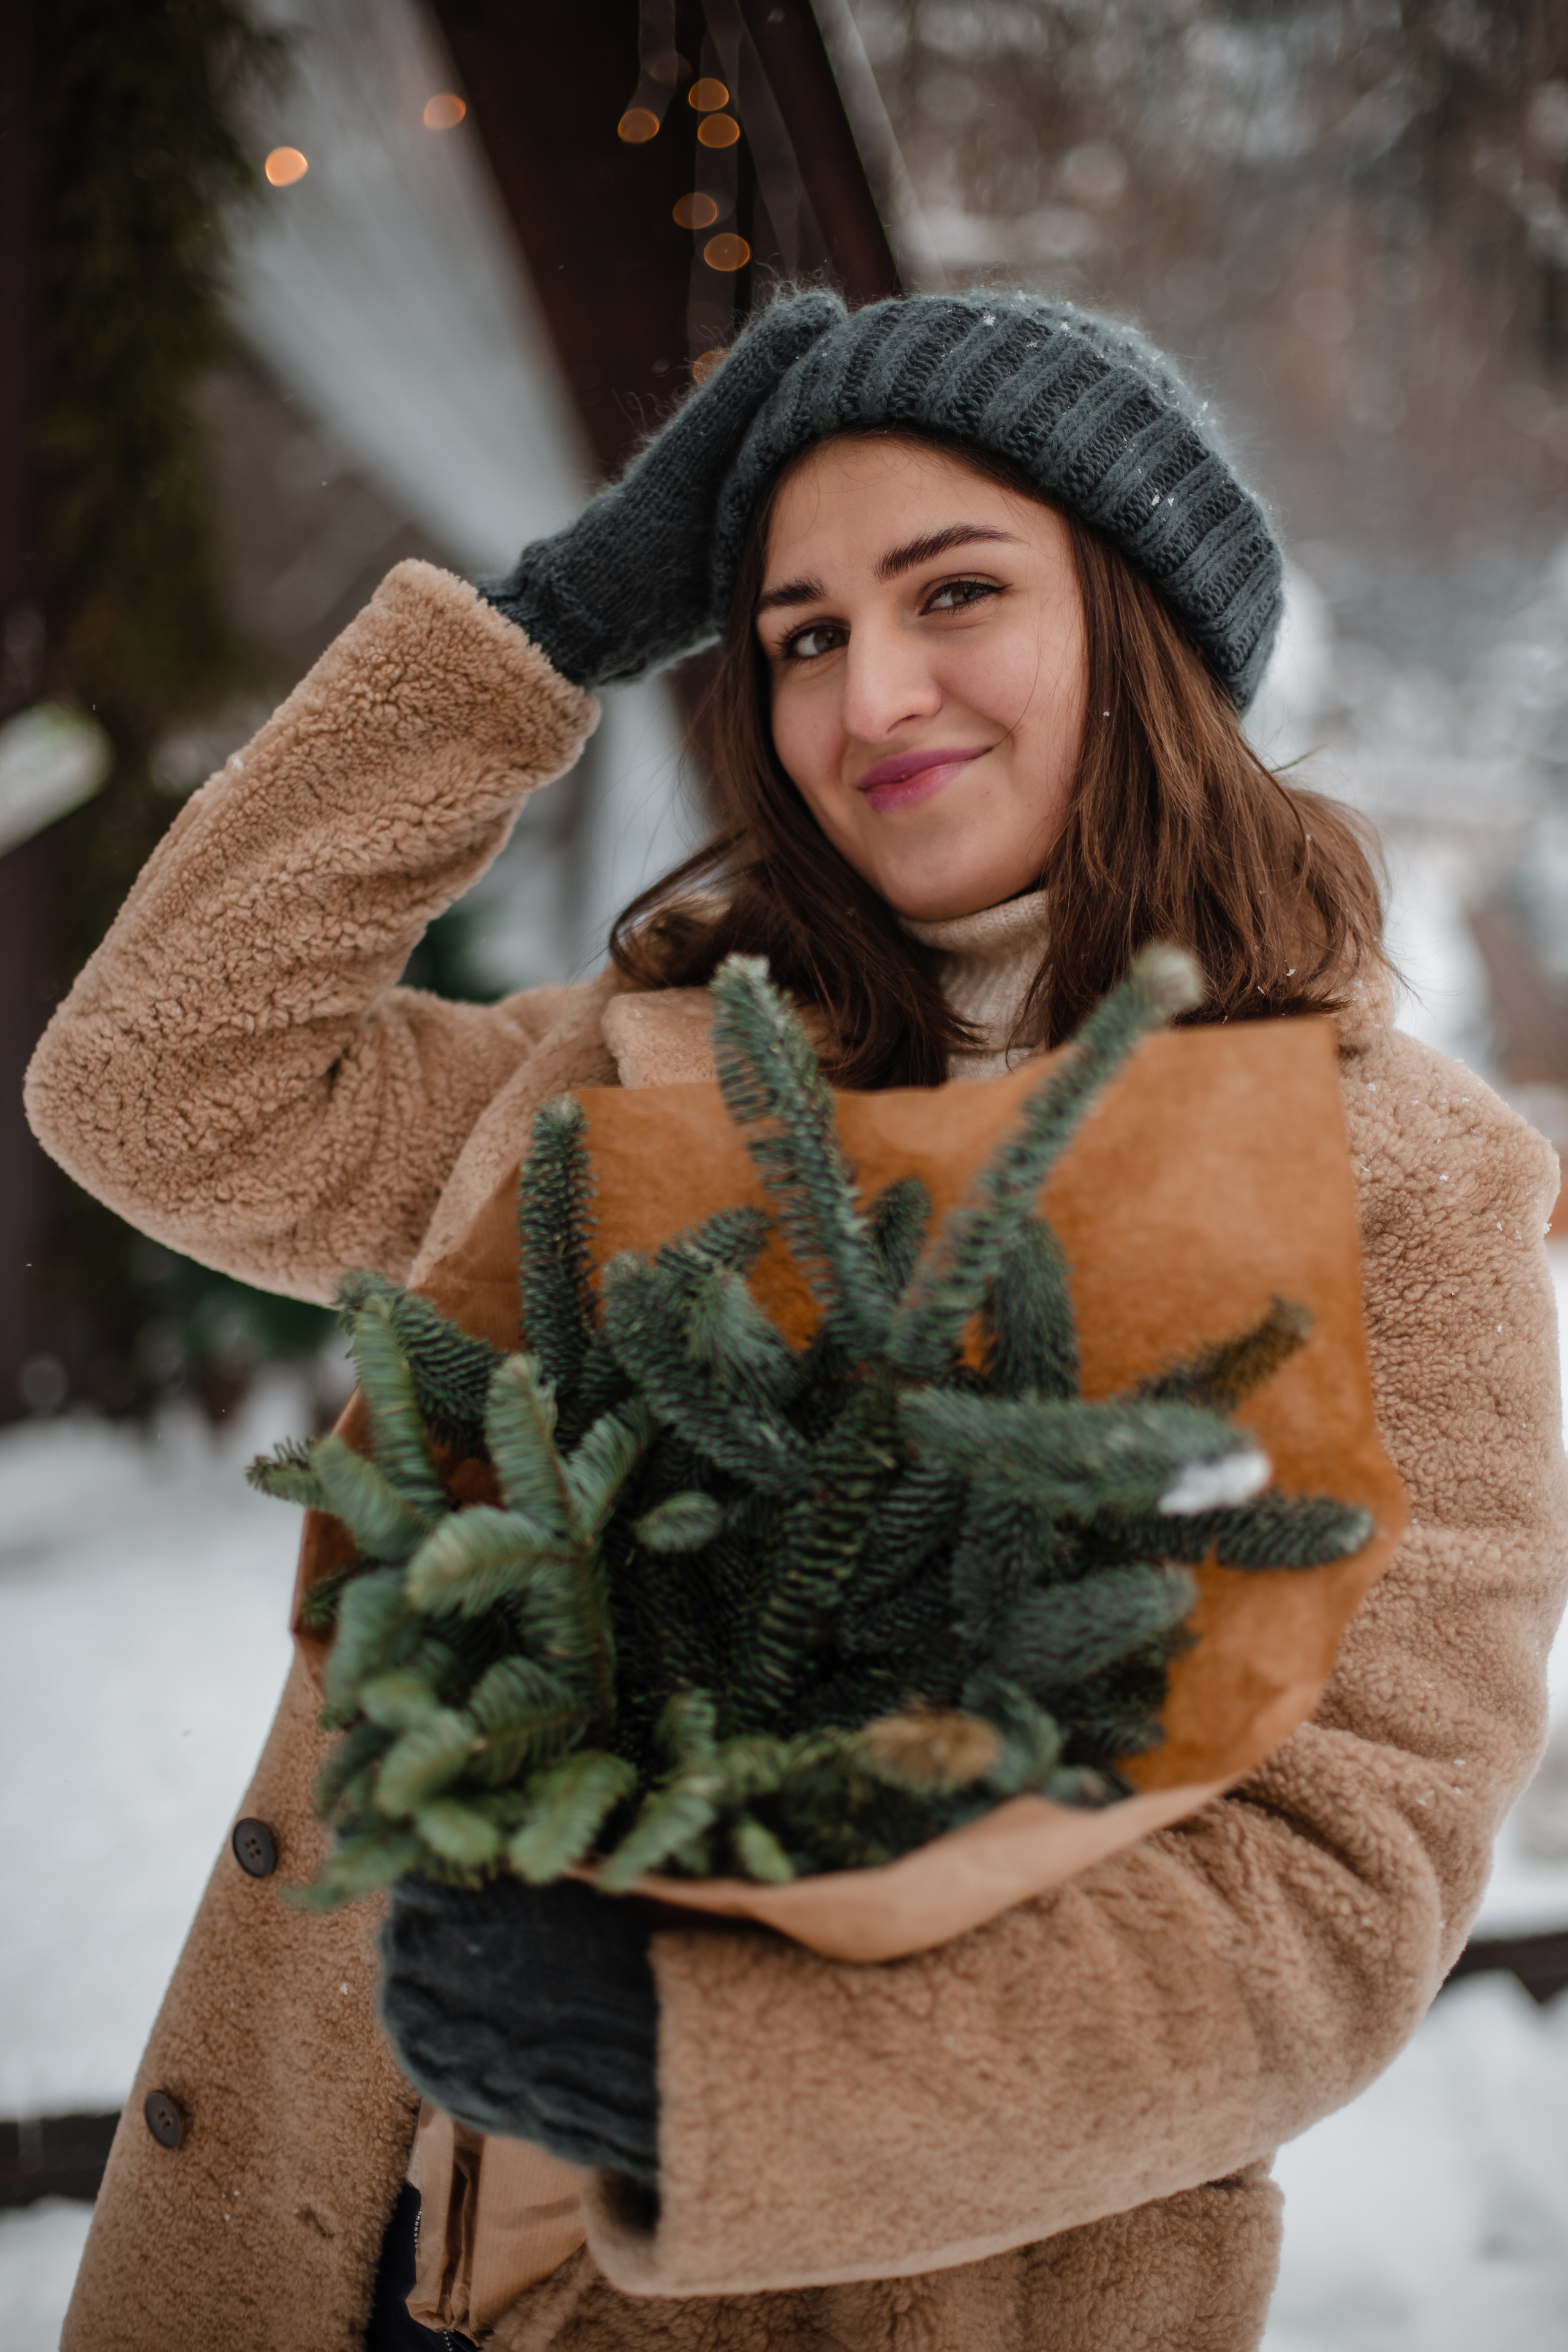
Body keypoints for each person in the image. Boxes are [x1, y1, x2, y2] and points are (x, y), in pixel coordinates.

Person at [26, 288, 1568, 2352]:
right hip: (341, 2256)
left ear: (1144, 627)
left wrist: (713, 2078)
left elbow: (1332, 1890)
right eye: (802, 634)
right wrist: (550, 629)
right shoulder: (639, 1073)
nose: (873, 693)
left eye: (957, 592)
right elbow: (159, 1088)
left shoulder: (1397, 1185)